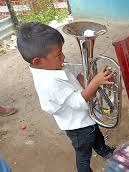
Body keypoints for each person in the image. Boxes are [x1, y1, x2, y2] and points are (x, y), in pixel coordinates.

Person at [16, 22, 115, 172]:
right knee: (83, 153)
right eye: (58, 55)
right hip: (77, 127)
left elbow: (75, 73)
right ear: (38, 61)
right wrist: (94, 84)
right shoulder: (49, 84)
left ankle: (103, 150)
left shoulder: (54, 67)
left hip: (87, 117)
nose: (63, 57)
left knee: (96, 134)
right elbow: (78, 103)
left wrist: (92, 81)